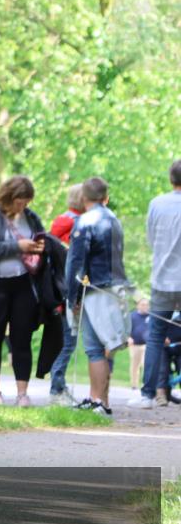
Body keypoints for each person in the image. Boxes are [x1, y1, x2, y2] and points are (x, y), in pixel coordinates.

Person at [0, 175, 45, 406]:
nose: (23, 206)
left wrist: (40, 247)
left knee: (22, 338)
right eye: (19, 201)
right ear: (8, 197)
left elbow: (43, 241)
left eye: (26, 202)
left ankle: (22, 393)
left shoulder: (31, 218)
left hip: (23, 283)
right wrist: (17, 246)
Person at [65, 177, 131, 415]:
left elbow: (75, 262)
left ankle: (97, 401)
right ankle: (103, 401)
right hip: (116, 286)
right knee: (107, 346)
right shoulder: (114, 219)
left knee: (94, 348)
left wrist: (72, 296)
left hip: (95, 290)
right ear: (106, 198)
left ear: (84, 198)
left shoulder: (85, 221)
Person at [129, 160, 181, 409]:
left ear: (171, 179)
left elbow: (151, 239)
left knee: (156, 336)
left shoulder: (156, 204)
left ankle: (148, 394)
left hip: (162, 278)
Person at [48, 184, 84, 405]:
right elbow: (76, 266)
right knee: (69, 343)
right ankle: (56, 387)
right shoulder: (77, 225)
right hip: (69, 294)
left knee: (66, 341)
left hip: (57, 292)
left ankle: (60, 386)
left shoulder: (59, 223)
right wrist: (75, 297)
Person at [128, 299, 150, 391]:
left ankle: (146, 383)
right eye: (142, 304)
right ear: (138, 305)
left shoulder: (151, 316)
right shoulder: (132, 316)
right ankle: (134, 384)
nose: (144, 306)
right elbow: (126, 328)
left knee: (146, 364)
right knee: (135, 365)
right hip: (135, 344)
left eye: (146, 305)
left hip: (147, 345)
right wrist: (128, 337)